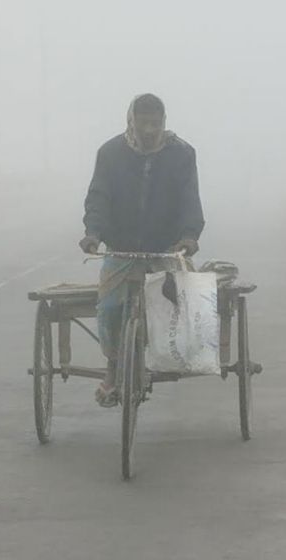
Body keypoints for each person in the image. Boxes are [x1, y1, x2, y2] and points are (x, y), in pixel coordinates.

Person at [80, 94, 205, 407]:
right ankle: (113, 367)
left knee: (178, 307)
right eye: (143, 122)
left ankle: (165, 355)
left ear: (164, 122)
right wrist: (93, 233)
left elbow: (190, 198)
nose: (149, 129)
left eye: (156, 123)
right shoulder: (110, 154)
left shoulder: (181, 154)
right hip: (121, 250)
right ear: (130, 121)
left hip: (166, 248)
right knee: (109, 310)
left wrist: (190, 236)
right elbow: (98, 196)